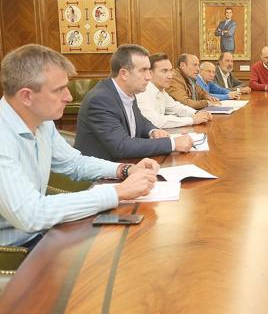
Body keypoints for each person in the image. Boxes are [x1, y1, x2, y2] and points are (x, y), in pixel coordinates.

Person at [0, 44, 158, 247]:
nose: (69, 97)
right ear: (27, 96)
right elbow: (30, 214)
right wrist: (117, 192)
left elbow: (73, 163)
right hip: (15, 253)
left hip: (43, 235)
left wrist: (124, 169)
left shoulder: (42, 122)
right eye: (59, 90)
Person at [75, 44, 193, 160]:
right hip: (101, 173)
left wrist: (153, 131)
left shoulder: (129, 92)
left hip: (127, 164)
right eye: (143, 70)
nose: (148, 77)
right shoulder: (101, 100)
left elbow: (141, 122)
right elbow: (121, 146)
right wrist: (172, 143)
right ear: (124, 74)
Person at [136, 53, 212, 129]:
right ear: (150, 73)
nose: (170, 76)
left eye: (170, 70)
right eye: (164, 71)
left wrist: (196, 113)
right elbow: (156, 121)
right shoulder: (142, 92)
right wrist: (192, 120)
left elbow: (176, 108)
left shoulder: (161, 91)